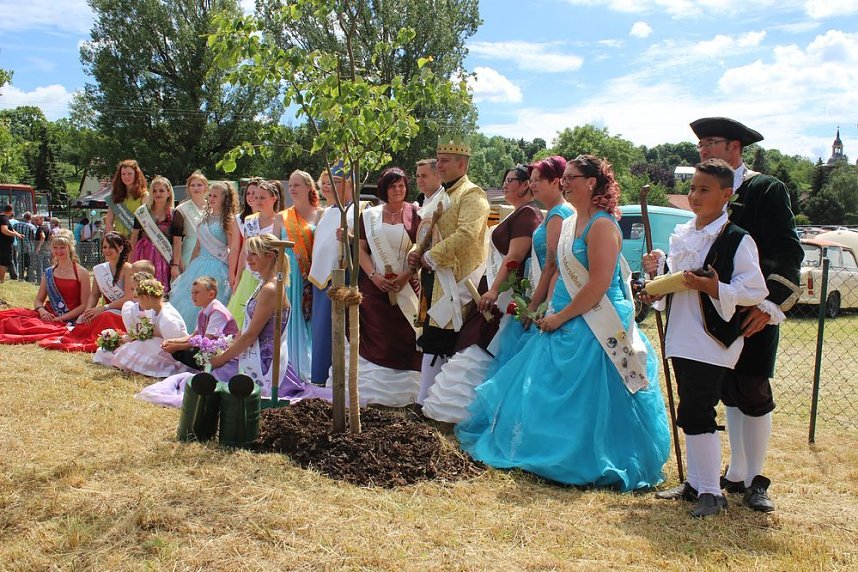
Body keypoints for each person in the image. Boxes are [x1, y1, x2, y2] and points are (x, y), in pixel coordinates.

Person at [455, 154, 670, 491]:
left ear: (592, 183)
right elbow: (557, 270)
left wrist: (560, 316)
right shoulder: (571, 223)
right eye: (564, 177)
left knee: (595, 397)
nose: (565, 183)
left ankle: (591, 458)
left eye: (572, 177)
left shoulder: (602, 225)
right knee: (549, 388)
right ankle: (550, 452)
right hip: (564, 314)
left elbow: (597, 286)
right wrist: (546, 309)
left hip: (599, 322)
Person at [653, 118, 804, 513]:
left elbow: (787, 251)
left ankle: (751, 479)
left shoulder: (765, 188)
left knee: (751, 392)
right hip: (701, 319)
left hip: (751, 311)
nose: (703, 150)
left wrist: (769, 306)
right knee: (714, 396)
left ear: (735, 147)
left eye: (712, 143)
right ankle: (716, 477)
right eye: (700, 144)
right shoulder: (698, 204)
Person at [643, 159, 769, 517]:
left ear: (726, 194)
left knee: (697, 409)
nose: (695, 196)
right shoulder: (683, 234)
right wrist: (658, 274)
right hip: (682, 332)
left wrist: (715, 287)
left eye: (704, 189)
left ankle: (712, 492)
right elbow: (674, 280)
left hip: (711, 337)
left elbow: (753, 288)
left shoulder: (736, 239)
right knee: (690, 407)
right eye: (693, 188)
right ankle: (697, 482)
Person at [137, 234, 331, 407]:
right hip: (254, 351)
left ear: (270, 256)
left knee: (211, 383)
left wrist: (222, 358)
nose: (248, 259)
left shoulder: (271, 289)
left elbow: (252, 334)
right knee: (203, 380)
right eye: (248, 254)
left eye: (253, 254)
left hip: (264, 360)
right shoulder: (264, 285)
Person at [422, 163, 543, 423]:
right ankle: (455, 409)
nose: (506, 184)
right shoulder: (516, 213)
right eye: (505, 179)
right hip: (493, 288)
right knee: (471, 340)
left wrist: (495, 289)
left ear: (525, 185)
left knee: (481, 344)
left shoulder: (528, 215)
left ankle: (472, 412)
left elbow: (514, 257)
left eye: (511, 180)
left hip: (504, 293)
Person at [406, 136, 490, 408]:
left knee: (442, 337)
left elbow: (467, 233)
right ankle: (428, 399)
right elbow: (427, 231)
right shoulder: (442, 194)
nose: (438, 165)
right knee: (431, 335)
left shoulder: (472, 194)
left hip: (457, 279)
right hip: (433, 275)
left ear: (462, 164)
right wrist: (416, 250)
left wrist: (432, 255)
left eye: (444, 161)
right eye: (438, 160)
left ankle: (431, 402)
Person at [343, 167, 423, 406]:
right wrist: (374, 275)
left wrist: (406, 276)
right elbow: (360, 249)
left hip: (407, 284)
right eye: (392, 186)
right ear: (383, 189)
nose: (398, 190)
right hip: (374, 284)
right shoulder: (369, 215)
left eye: (402, 185)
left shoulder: (416, 214)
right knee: (374, 331)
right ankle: (370, 391)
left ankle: (404, 393)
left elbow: (422, 248)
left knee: (407, 335)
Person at [37, 232, 134, 353]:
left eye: (111, 247)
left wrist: (103, 308)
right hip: (107, 309)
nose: (107, 250)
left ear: (120, 248)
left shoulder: (128, 268)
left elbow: (129, 297)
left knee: (105, 316)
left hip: (125, 311)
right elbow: (94, 295)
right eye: (104, 247)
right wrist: (87, 312)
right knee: (89, 320)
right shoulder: (100, 269)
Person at [308, 161, 358, 385]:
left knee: (340, 329)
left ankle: (338, 377)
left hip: (342, 276)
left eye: (335, 182)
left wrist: (349, 239)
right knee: (320, 330)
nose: (328, 187)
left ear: (349, 185)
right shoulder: (324, 213)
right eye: (325, 183)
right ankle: (319, 376)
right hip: (320, 279)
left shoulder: (359, 209)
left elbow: (363, 246)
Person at [170, 181, 240, 330]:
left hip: (218, 266)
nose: (211, 198)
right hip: (198, 264)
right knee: (188, 302)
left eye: (215, 196)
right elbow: (198, 244)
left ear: (225, 198)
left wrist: (232, 272)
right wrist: (189, 267)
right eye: (210, 195)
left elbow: (233, 248)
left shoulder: (230, 220)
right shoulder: (205, 217)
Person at [273, 169, 322, 380]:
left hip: (311, 275)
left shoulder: (321, 214)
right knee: (288, 319)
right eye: (290, 185)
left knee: (309, 320)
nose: (292, 189)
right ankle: (288, 367)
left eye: (297, 185)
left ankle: (310, 366)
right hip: (288, 275)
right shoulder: (282, 217)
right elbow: (273, 250)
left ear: (309, 187)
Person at [0, 230, 91, 343]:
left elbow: (84, 305)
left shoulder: (82, 272)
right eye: (55, 247)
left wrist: (61, 318)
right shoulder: (49, 272)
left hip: (68, 317)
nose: (58, 251)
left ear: (70, 247)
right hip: (47, 314)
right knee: (12, 321)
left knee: (30, 328)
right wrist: (42, 310)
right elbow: (38, 300)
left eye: (62, 247)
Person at [108, 278, 191, 378]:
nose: (139, 303)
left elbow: (173, 345)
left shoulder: (167, 318)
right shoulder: (155, 311)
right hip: (163, 345)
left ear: (145, 298)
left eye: (139, 299)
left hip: (174, 354)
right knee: (140, 344)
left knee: (143, 345)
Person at [161, 276, 239, 370]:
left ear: (211, 294)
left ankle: (209, 371)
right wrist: (171, 341)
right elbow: (194, 336)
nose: (193, 296)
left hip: (225, 353)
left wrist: (177, 347)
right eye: (192, 293)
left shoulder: (217, 311)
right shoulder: (203, 311)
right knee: (179, 352)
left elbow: (205, 341)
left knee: (189, 353)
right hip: (211, 349)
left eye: (197, 292)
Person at [227, 178, 272, 329]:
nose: (253, 197)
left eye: (258, 194)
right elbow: (243, 250)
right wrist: (238, 276)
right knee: (239, 313)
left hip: (266, 273)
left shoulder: (278, 220)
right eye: (250, 193)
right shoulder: (248, 221)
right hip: (249, 272)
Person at [131, 176, 181, 292]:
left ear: (168, 193)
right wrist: (130, 260)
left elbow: (177, 243)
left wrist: (175, 265)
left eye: (161, 190)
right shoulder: (142, 212)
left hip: (164, 256)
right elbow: (134, 237)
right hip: (143, 253)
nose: (157, 193)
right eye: (154, 190)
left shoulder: (175, 214)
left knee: (159, 289)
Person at [173, 171, 209, 274]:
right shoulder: (181, 209)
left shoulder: (212, 207)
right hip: (189, 251)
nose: (196, 188)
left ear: (206, 187)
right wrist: (178, 262)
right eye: (192, 185)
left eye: (199, 185)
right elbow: (177, 240)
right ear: (188, 188)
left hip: (210, 251)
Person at [105, 159, 149, 238]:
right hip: (119, 243)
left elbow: (147, 223)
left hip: (136, 241)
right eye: (123, 174)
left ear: (136, 175)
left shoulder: (144, 196)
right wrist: (113, 241)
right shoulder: (115, 196)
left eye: (130, 174)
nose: (126, 177)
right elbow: (109, 222)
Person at [0, 204, 23, 283]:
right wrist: (16, 234)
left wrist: (18, 234)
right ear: (11, 211)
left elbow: (11, 229)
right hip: (4, 245)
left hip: (3, 244)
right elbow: (4, 230)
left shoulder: (3, 218)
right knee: (3, 262)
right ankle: (1, 280)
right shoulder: (4, 218)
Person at [13, 212, 37, 282]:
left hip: (19, 246)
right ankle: (29, 277)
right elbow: (34, 237)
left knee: (21, 262)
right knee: (30, 263)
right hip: (29, 247)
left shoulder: (16, 225)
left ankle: (21, 277)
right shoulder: (31, 226)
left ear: (23, 217)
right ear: (30, 218)